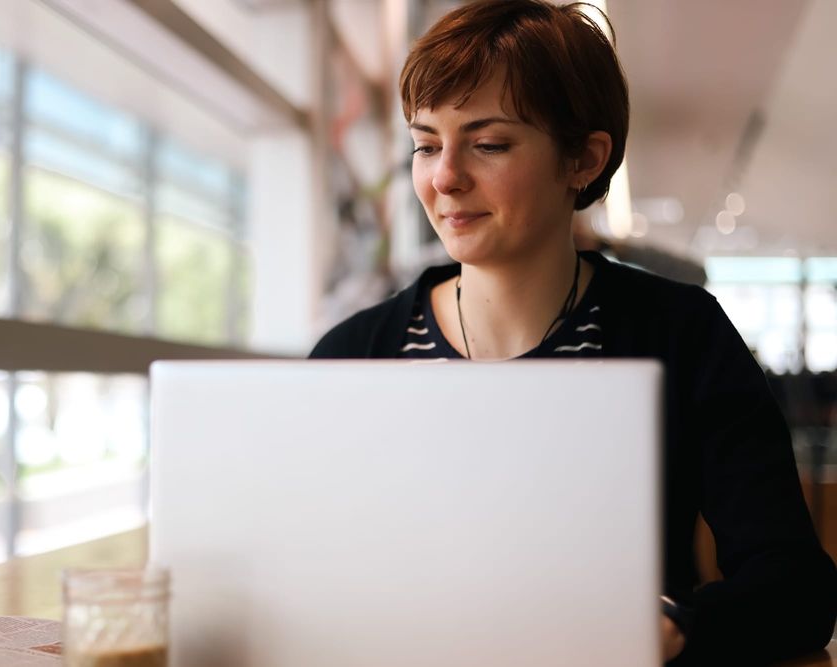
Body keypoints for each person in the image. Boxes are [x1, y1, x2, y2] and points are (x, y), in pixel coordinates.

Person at [309, 1, 837, 664]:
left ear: (583, 159)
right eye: (426, 144)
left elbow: (796, 588)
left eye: (488, 143)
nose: (444, 177)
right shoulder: (353, 356)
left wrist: (676, 623)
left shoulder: (682, 335)